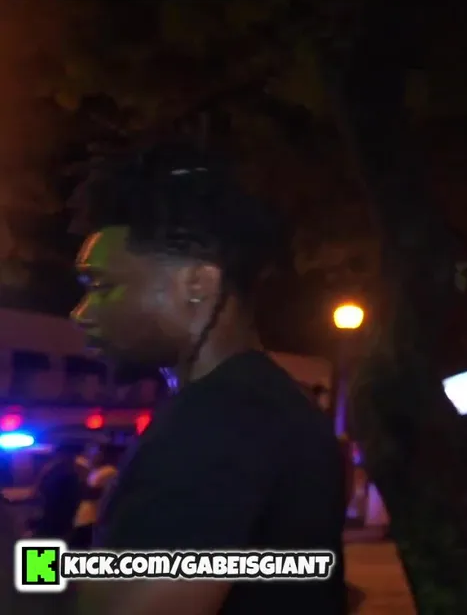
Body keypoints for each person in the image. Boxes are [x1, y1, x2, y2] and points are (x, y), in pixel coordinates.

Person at [69, 144, 347, 615]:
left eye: (101, 286)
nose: (81, 313)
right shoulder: (268, 407)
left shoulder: (218, 423)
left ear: (197, 284)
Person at [70, 442, 123, 548]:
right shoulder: (96, 470)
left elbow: (90, 493)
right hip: (84, 517)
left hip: (92, 518)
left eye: (96, 452)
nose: (92, 455)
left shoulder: (109, 471)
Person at [30, 442, 84, 542]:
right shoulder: (58, 469)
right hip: (53, 515)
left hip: (58, 516)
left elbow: (73, 497)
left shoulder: (68, 471)